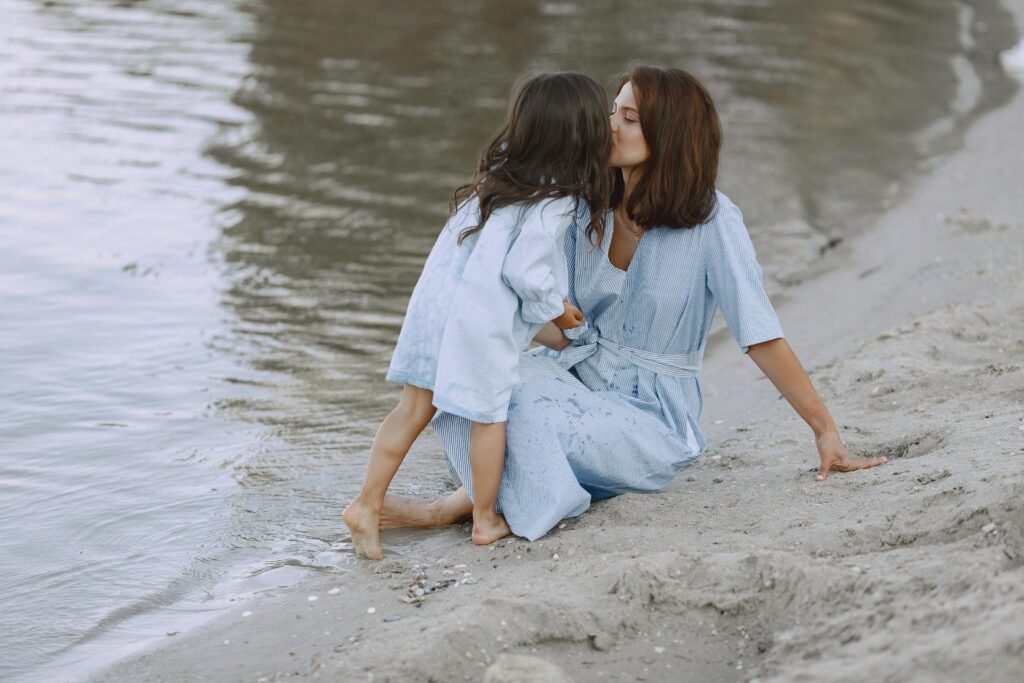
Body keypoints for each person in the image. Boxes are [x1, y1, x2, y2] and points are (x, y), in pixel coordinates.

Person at [375, 65, 888, 541]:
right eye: (611, 113)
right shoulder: (580, 204)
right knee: (477, 377)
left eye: (629, 117)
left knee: (522, 407)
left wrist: (825, 430)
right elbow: (531, 301)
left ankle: (455, 507)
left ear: (669, 134)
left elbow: (760, 333)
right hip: (572, 374)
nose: (610, 127)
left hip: (651, 419)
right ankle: (483, 498)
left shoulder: (712, 221)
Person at [342, 72, 613, 559]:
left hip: (433, 310)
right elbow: (524, 274)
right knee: (490, 416)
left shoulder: (496, 182)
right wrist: (560, 309)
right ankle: (486, 519)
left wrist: (548, 321)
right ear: (585, 137)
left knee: (411, 409)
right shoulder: (558, 200)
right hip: (475, 325)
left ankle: (366, 504)